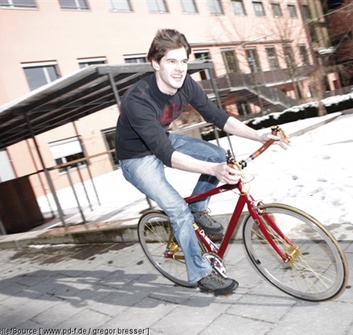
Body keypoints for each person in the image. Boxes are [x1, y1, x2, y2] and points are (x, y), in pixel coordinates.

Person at [115, 29, 288, 296]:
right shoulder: (138, 100)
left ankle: (197, 208)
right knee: (177, 210)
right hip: (137, 159)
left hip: (162, 141)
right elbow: (166, 155)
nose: (179, 69)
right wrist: (213, 170)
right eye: (171, 61)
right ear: (155, 63)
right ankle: (201, 274)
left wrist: (258, 135)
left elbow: (218, 117)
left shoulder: (187, 86)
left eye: (183, 61)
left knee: (217, 155)